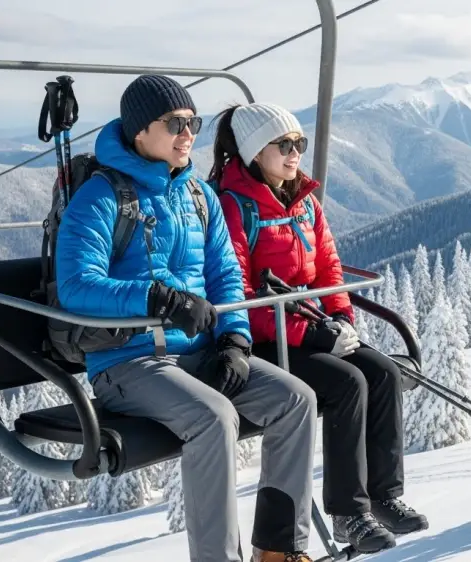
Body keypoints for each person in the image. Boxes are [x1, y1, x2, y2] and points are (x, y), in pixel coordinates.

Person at [55, 75, 318, 562]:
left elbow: (224, 277)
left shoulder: (197, 195)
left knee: (296, 400)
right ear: (139, 132)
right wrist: (159, 299)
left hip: (195, 354)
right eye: (174, 123)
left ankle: (279, 551)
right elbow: (76, 286)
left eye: (192, 122)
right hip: (128, 362)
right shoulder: (101, 197)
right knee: (213, 419)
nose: (188, 134)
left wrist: (235, 341)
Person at [208, 102, 429, 554]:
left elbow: (327, 267)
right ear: (254, 152)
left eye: (299, 144)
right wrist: (311, 334)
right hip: (266, 341)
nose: (295, 154)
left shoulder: (303, 201)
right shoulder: (234, 206)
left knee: (382, 372)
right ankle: (349, 513)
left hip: (312, 326)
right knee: (347, 383)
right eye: (284, 145)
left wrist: (341, 318)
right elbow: (240, 297)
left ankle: (383, 496)